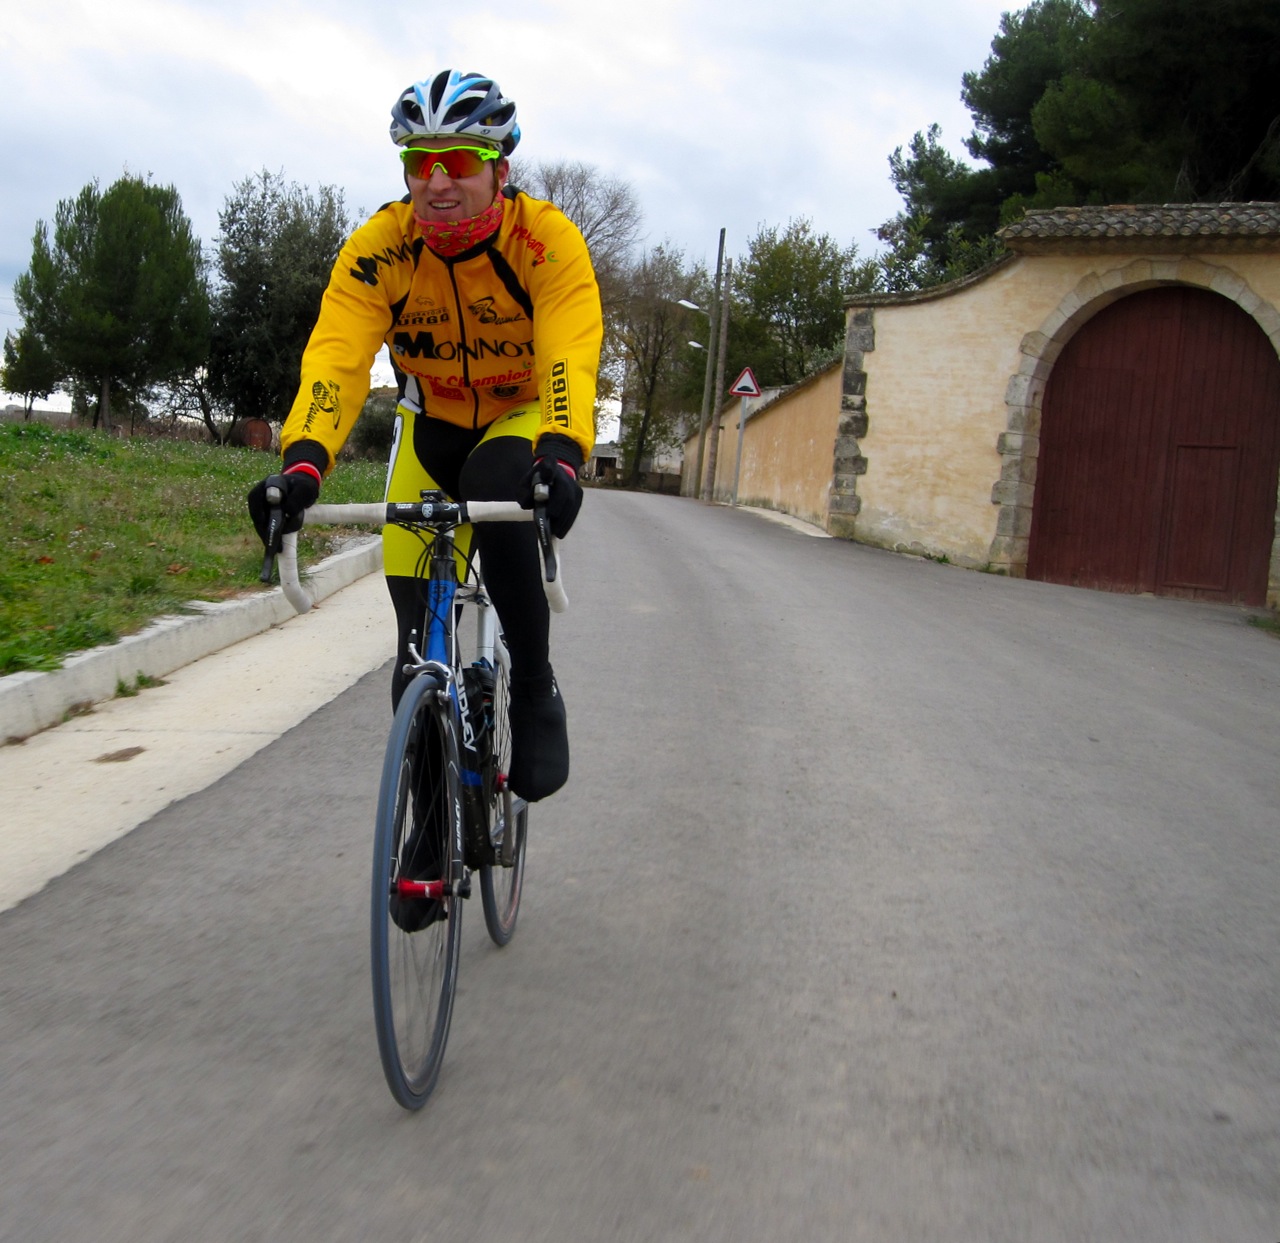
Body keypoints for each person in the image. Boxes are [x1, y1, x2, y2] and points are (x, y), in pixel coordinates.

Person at [249, 69, 602, 803]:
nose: (438, 181)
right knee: (414, 650)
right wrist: (304, 463)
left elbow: (569, 348)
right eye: (419, 161)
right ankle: (429, 825)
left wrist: (562, 453)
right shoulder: (382, 246)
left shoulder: (544, 241)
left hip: (517, 418)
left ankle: (534, 685)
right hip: (429, 425)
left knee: (495, 484)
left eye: (461, 160)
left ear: (500, 169)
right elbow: (338, 355)